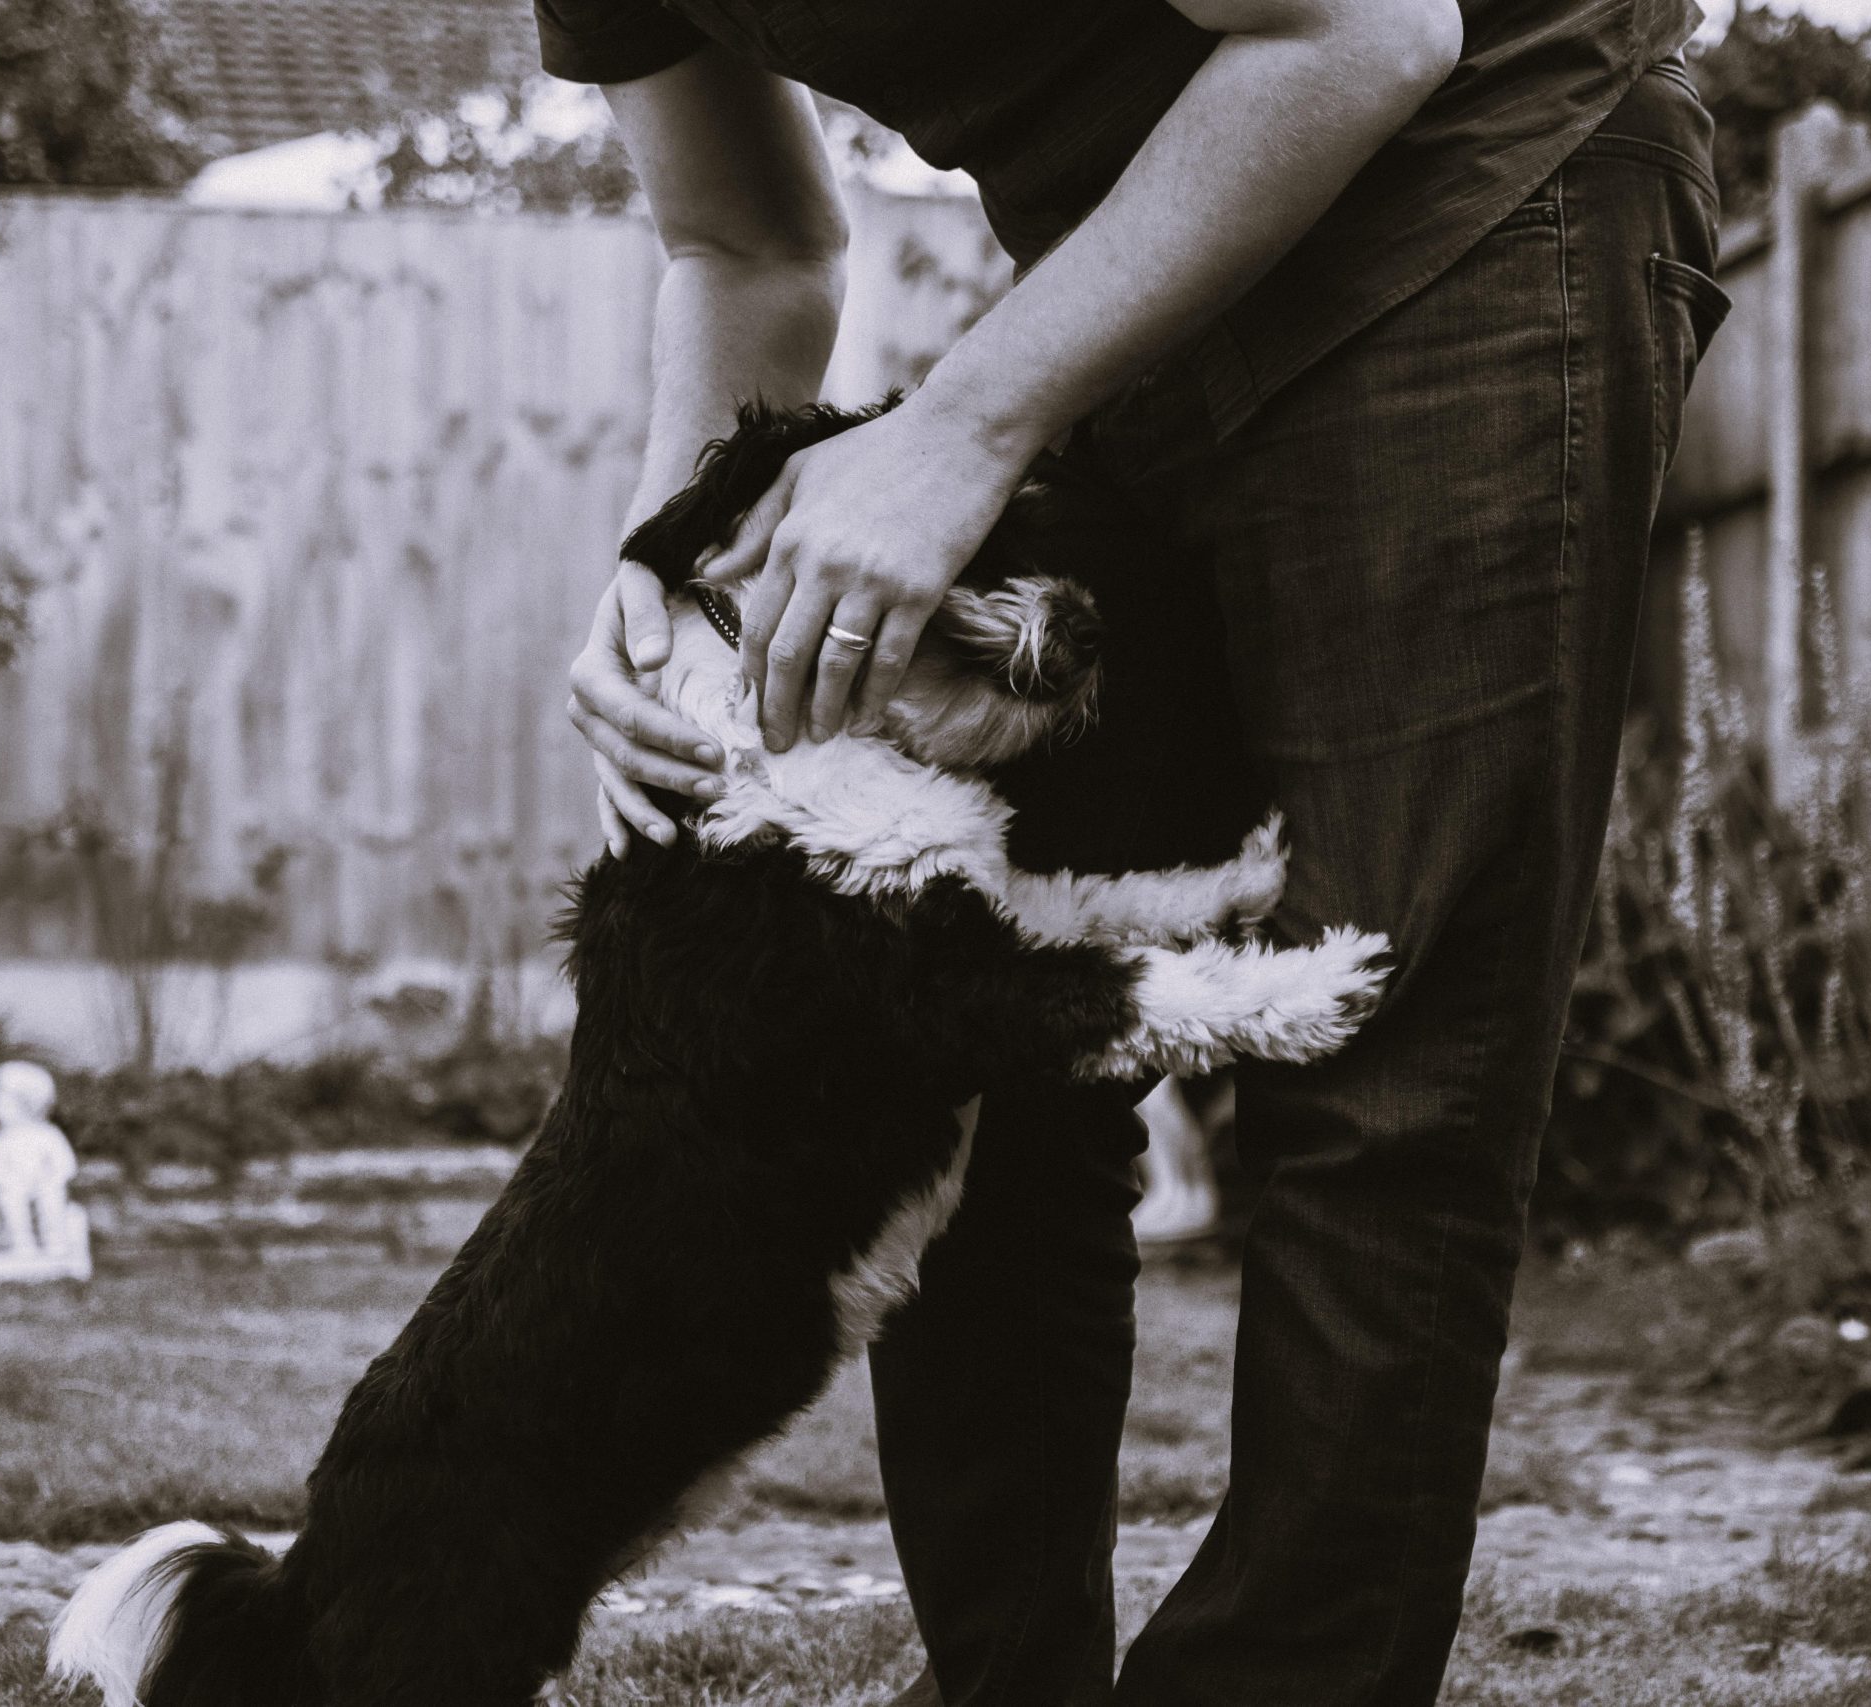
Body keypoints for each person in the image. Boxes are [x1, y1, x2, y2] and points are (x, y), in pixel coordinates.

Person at [557, 0, 1728, 1699]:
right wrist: (669, 571)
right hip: (1138, 269)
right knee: (967, 1049)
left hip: (1471, 187)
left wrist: (959, 430)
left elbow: (1363, 33)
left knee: (1390, 1056)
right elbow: (743, 240)